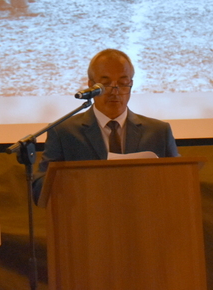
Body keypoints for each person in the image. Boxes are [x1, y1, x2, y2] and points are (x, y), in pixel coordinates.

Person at [32, 49, 180, 203]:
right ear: (91, 86)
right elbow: (39, 188)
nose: (114, 92)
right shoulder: (63, 132)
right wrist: (78, 181)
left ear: (131, 85)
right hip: (86, 220)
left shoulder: (158, 132)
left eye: (123, 84)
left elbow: (180, 181)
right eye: (105, 84)